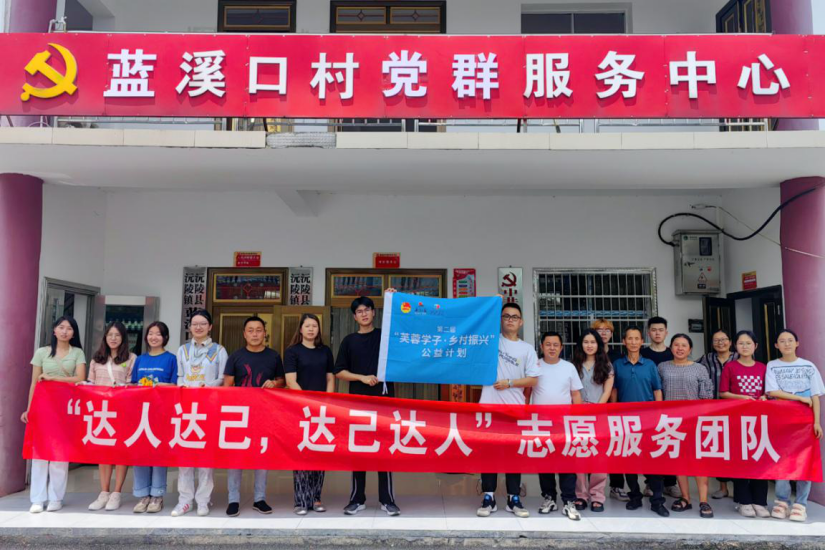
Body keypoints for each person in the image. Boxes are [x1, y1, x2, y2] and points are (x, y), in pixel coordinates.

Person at [334, 296, 402, 517]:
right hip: (358, 403)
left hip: (384, 402)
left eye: (367, 310)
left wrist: (393, 299)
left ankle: (387, 499)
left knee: (385, 450)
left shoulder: (385, 337)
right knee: (359, 450)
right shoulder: (349, 341)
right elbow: (339, 371)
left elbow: (401, 328)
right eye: (359, 311)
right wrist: (361, 378)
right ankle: (357, 499)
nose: (364, 314)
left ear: (374, 312)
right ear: (354, 317)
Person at [476, 302, 539, 519]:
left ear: (521, 322)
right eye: (506, 316)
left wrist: (510, 383)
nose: (510, 320)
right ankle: (489, 497)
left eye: (514, 317)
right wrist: (493, 303)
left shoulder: (527, 349)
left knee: (513, 453)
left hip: (514, 409)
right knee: (489, 453)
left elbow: (533, 379)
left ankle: (514, 498)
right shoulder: (490, 342)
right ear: (500, 320)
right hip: (489, 406)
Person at [22, 316, 87, 513]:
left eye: (69, 328)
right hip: (43, 408)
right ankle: (37, 499)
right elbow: (34, 383)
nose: (65, 331)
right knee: (40, 453)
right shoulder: (42, 352)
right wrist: (29, 408)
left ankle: (56, 498)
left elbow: (80, 378)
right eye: (61, 327)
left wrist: (53, 378)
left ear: (74, 333)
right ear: (54, 330)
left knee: (60, 454)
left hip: (66, 408)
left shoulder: (77, 353)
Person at [223, 316, 285, 517]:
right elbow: (227, 385)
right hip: (239, 414)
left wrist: (274, 384)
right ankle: (233, 499)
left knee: (261, 454)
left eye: (259, 330)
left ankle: (260, 498)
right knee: (236, 456)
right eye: (250, 330)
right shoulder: (235, 356)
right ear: (244, 334)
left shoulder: (273, 356)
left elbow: (282, 381)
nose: (255, 334)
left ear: (265, 333)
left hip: (264, 412)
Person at [172, 310, 227, 518]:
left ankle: (203, 500)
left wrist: (209, 386)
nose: (198, 327)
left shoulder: (219, 350)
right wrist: (183, 386)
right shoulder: (183, 350)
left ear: (210, 326)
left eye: (203, 323)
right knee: (185, 456)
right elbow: (179, 376)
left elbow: (223, 378)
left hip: (208, 408)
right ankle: (184, 501)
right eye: (194, 323)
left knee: (205, 456)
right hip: (186, 409)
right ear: (189, 327)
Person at [766, 329, 824, 523]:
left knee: (805, 461)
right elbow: (772, 391)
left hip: (805, 421)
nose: (787, 344)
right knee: (782, 460)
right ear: (776, 345)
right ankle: (782, 501)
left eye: (790, 340)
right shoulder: (772, 366)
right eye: (782, 341)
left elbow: (815, 396)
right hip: (782, 420)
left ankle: (801, 504)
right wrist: (799, 397)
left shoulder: (808, 366)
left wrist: (817, 422)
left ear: (797, 343)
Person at [611, 326, 669, 517]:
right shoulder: (617, 364)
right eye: (630, 338)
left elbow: (657, 390)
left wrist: (659, 416)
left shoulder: (650, 364)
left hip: (649, 421)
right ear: (624, 342)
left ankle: (657, 500)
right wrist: (614, 413)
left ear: (642, 341)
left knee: (653, 462)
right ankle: (634, 496)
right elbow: (614, 391)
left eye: (637, 339)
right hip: (626, 421)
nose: (633, 342)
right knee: (629, 461)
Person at [658, 334, 714, 518]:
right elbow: (658, 393)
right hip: (671, 422)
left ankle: (704, 500)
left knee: (699, 461)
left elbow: (707, 396)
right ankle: (685, 498)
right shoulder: (662, 367)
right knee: (679, 460)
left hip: (694, 421)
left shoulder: (699, 368)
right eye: (676, 345)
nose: (680, 348)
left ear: (690, 349)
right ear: (671, 347)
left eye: (684, 345)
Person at [284, 313, 335, 515]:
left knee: (319, 454)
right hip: (300, 409)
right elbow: (291, 381)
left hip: (322, 410)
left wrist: (328, 403)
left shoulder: (325, 351)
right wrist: (308, 403)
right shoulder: (292, 351)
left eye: (314, 326)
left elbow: (330, 379)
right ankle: (300, 500)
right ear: (301, 329)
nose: (311, 329)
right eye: (307, 326)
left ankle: (316, 498)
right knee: (302, 453)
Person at [532, 331, 583, 520]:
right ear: (542, 346)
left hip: (564, 423)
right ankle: (549, 498)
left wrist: (578, 420)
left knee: (566, 462)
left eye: (555, 345)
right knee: (544, 461)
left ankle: (569, 500)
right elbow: (527, 392)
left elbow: (576, 394)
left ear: (561, 347)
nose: (552, 348)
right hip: (540, 423)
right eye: (548, 344)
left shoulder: (568, 367)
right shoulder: (535, 366)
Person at [86, 321, 136, 512]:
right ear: (105, 337)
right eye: (110, 335)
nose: (113, 338)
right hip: (101, 411)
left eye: (117, 335)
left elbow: (133, 385)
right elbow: (90, 384)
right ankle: (104, 492)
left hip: (123, 411)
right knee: (104, 452)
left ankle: (116, 493)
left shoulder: (131, 358)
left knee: (120, 452)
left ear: (123, 338)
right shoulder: (96, 359)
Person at [719, 330, 769, 519]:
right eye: (741, 343)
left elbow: (769, 392)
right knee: (740, 460)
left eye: (748, 343)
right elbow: (723, 392)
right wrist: (742, 398)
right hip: (737, 420)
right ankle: (743, 501)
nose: (745, 346)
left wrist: (764, 397)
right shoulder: (730, 367)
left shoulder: (763, 368)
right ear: (735, 346)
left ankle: (760, 501)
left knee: (760, 459)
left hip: (760, 421)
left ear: (755, 346)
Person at [130, 321, 177, 514]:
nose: (154, 337)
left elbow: (175, 385)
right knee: (141, 453)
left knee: (158, 452)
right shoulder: (140, 359)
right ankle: (143, 495)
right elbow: (133, 384)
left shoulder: (171, 359)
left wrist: (156, 385)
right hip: (140, 412)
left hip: (161, 412)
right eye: (150, 333)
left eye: (158, 334)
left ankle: (157, 495)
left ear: (165, 337)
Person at [572, 329, 614, 513]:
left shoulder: (607, 365)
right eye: (586, 342)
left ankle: (597, 496)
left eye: (593, 342)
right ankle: (581, 495)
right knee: (579, 454)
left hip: (599, 414)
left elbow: (607, 391)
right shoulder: (573, 365)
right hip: (577, 415)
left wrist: (596, 409)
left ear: (599, 345)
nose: (589, 345)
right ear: (581, 344)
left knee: (599, 457)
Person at [640, 316, 679, 499]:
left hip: (670, 406)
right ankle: (650, 482)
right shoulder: (642, 354)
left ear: (666, 332)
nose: (657, 333)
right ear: (649, 333)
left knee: (669, 443)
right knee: (649, 446)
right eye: (654, 330)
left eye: (661, 330)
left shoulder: (673, 353)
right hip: (647, 406)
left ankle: (670, 483)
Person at [698, 329, 739, 500]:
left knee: (736, 449)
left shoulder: (739, 357)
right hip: (713, 410)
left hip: (736, 409)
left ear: (730, 342)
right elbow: (692, 370)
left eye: (723, 339)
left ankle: (739, 488)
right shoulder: (706, 359)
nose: (720, 343)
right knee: (719, 449)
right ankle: (723, 487)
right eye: (716, 340)